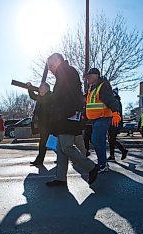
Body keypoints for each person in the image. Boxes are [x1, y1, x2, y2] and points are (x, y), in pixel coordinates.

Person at [45, 53, 99, 187]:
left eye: (50, 65)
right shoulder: (63, 73)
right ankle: (61, 178)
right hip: (63, 117)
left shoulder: (67, 72)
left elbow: (72, 95)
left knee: (67, 147)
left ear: (57, 61)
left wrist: (66, 113)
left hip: (67, 117)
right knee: (61, 149)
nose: (50, 69)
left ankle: (91, 168)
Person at [84, 68, 122, 172]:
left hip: (103, 117)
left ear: (96, 75)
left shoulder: (103, 86)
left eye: (89, 76)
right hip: (96, 119)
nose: (87, 78)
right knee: (98, 140)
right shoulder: (92, 88)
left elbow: (111, 100)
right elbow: (89, 104)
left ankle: (102, 163)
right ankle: (103, 163)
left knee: (96, 139)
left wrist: (116, 113)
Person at [27, 82, 52, 165]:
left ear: (46, 88)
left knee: (51, 143)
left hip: (50, 124)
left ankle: (63, 158)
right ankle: (40, 160)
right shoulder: (43, 96)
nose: (39, 88)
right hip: (44, 124)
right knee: (44, 143)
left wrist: (31, 88)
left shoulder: (50, 96)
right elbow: (33, 96)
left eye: (41, 87)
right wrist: (30, 88)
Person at [107, 88, 128, 161]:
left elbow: (116, 113)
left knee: (111, 139)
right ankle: (112, 155)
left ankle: (123, 150)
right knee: (111, 140)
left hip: (114, 123)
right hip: (113, 123)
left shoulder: (115, 101)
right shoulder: (116, 101)